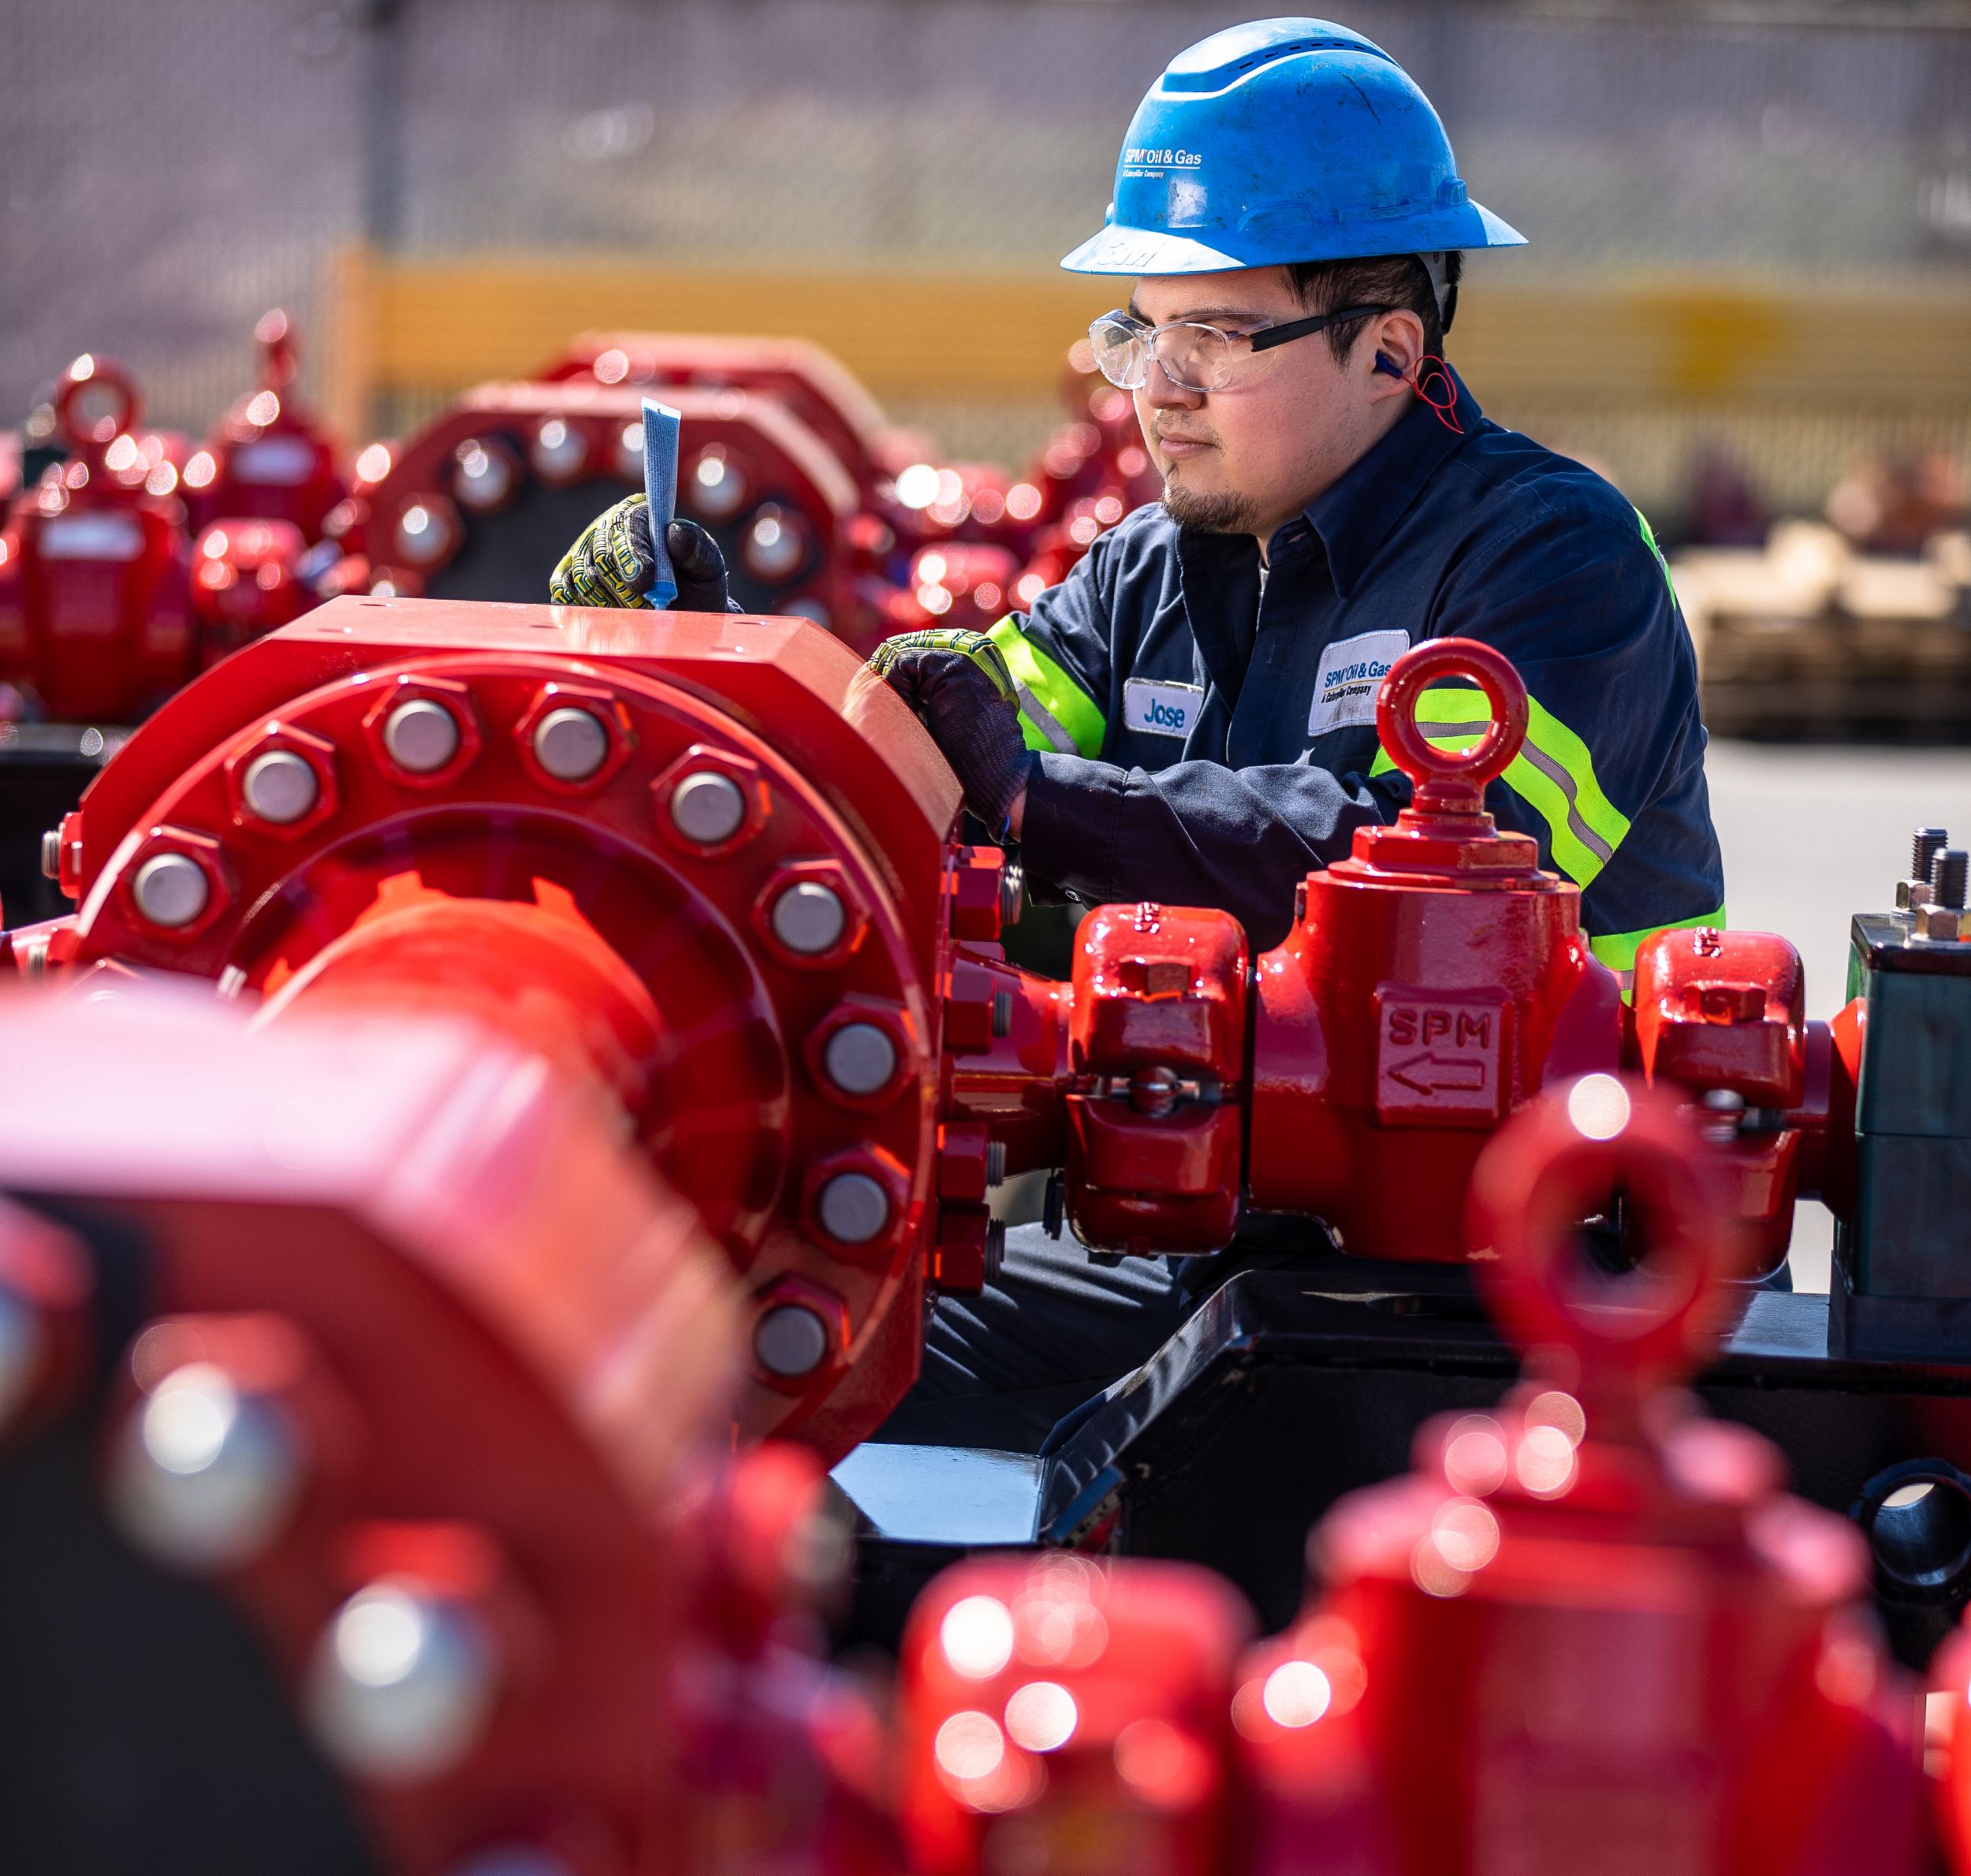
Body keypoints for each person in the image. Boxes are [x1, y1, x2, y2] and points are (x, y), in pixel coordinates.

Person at [550, 17, 1727, 1451]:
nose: (1156, 388)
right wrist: (720, 658)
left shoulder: (1555, 562)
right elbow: (930, 763)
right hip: (1201, 1229)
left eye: (1214, 337)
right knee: (766, 1379)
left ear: (1388, 351)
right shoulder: (1152, 567)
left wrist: (1049, 800)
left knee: (1171, 1487)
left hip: (1521, 1270)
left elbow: (1416, 887)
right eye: (1141, 332)